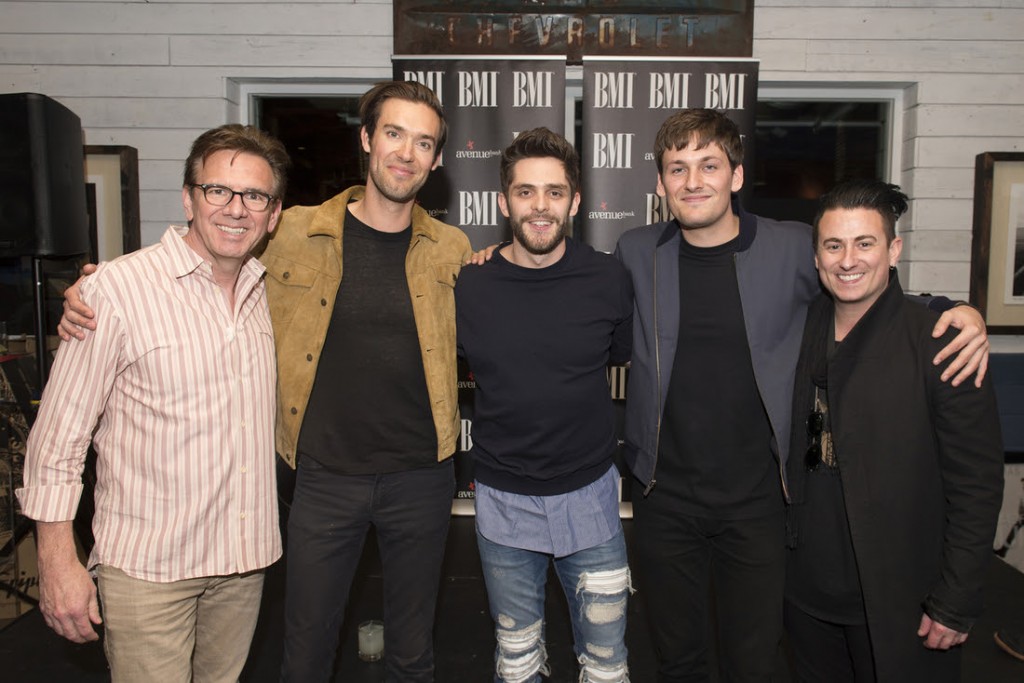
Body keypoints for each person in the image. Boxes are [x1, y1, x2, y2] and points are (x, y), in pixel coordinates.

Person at [59, 81, 472, 683]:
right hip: (324, 478)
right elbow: (210, 251)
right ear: (366, 139)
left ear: (436, 160)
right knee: (305, 650)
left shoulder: (453, 248)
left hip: (422, 478)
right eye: (393, 133)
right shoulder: (291, 231)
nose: (406, 152)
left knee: (413, 652)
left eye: (423, 142)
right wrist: (98, 287)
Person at [613, 109, 990, 682]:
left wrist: (949, 310)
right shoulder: (637, 251)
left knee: (755, 662)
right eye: (677, 168)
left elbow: (862, 283)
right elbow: (580, 295)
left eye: (709, 165)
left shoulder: (791, 246)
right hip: (664, 498)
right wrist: (499, 257)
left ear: (736, 176)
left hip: (762, 501)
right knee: (678, 658)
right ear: (660, 184)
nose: (693, 181)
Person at [19, 124, 288, 681]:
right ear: (188, 198)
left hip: (243, 563)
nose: (236, 209)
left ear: (274, 213)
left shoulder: (270, 293)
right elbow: (57, 438)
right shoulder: (114, 291)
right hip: (149, 569)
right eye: (219, 190)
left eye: (255, 196)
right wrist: (56, 558)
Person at [784, 180, 1004, 682]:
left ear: (893, 249)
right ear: (816, 256)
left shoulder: (941, 343)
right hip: (806, 598)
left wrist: (956, 599)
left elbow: (977, 484)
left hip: (905, 601)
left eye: (865, 243)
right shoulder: (799, 327)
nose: (848, 260)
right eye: (833, 245)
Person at [455, 128, 633, 682]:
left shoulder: (609, 278)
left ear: (575, 202)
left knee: (607, 663)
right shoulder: (470, 284)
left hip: (592, 499)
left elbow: (621, 355)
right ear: (504, 201)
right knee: (517, 661)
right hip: (504, 502)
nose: (540, 206)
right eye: (525, 192)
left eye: (554, 192)